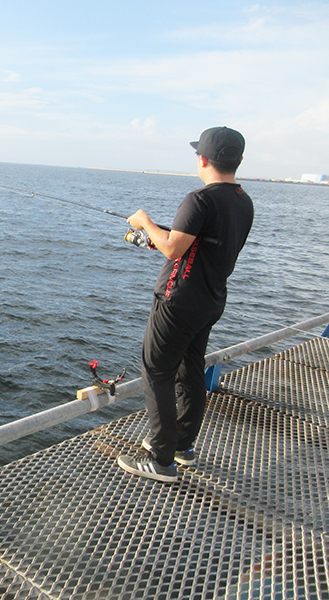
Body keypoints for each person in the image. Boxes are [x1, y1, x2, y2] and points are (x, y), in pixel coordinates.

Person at [117, 126, 254, 483]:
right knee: (189, 369)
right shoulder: (242, 201)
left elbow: (175, 248)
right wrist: (162, 238)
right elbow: (206, 246)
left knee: (158, 371)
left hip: (178, 301)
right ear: (238, 160)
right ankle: (182, 444)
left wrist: (144, 222)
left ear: (203, 159)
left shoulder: (200, 199)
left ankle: (162, 459)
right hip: (210, 300)